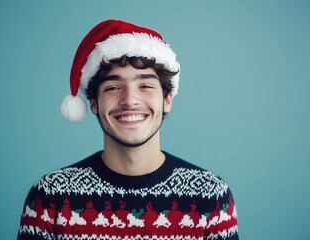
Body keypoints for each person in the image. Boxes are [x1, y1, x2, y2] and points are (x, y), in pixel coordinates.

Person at [17, 19, 239, 240]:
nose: (130, 100)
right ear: (94, 103)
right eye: (113, 87)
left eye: (145, 86)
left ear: (167, 99)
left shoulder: (211, 196)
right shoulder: (50, 198)